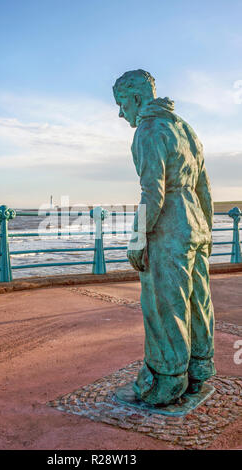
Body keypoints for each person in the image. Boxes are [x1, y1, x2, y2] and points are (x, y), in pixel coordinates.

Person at [113, 70, 216, 405]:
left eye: (121, 103)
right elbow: (204, 189)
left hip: (169, 230)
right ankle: (200, 370)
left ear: (136, 98)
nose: (120, 112)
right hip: (195, 228)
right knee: (197, 303)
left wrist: (137, 239)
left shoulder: (148, 129)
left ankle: (168, 380)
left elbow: (152, 193)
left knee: (164, 306)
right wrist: (207, 231)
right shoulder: (186, 129)